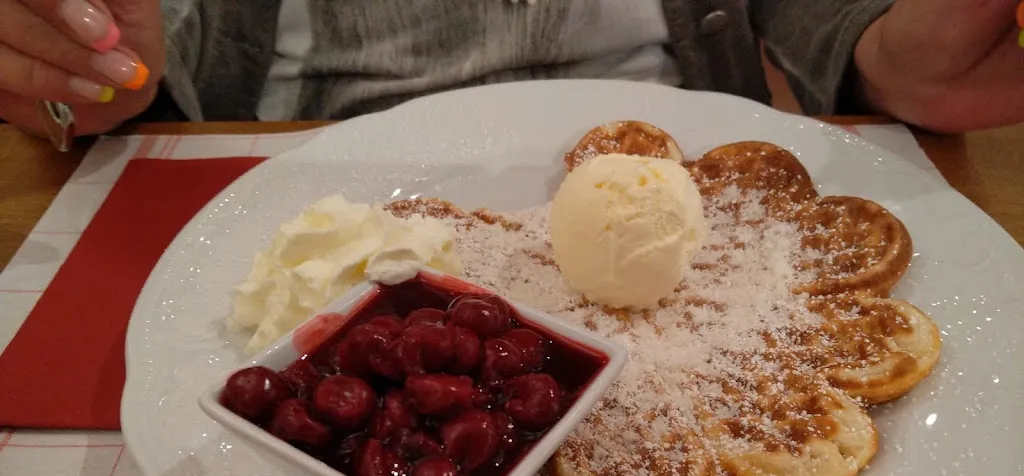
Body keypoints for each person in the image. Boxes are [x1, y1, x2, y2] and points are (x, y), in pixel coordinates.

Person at [2, 0, 1022, 143]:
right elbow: (127, 57)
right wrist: (84, 76)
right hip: (298, 179)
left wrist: (896, 56)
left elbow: (822, 16)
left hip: (688, 175)